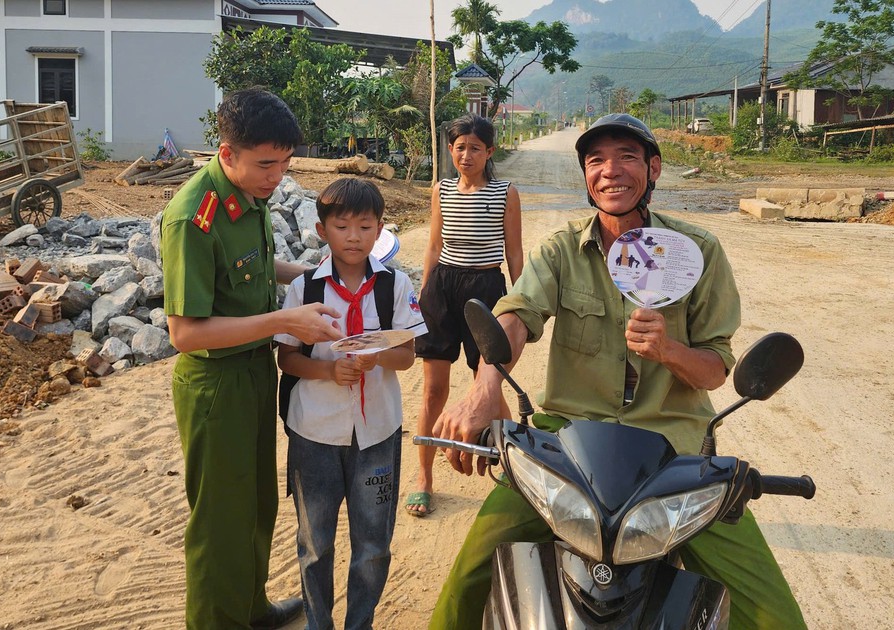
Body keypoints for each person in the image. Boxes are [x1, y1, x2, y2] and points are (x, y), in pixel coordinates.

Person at [428, 113, 808, 629]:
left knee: (773, 615)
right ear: (586, 176)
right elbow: (517, 316)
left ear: (653, 169)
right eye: (596, 160)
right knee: (469, 578)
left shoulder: (698, 252)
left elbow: (717, 369)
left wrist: (670, 350)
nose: (611, 171)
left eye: (627, 157)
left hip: (673, 455)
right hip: (569, 447)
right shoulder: (563, 248)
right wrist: (483, 386)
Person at [160, 87, 343, 630]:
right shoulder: (194, 217)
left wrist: (325, 274)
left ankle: (250, 608)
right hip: (215, 385)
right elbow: (184, 333)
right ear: (226, 154)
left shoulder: (251, 196)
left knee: (259, 501)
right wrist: (285, 322)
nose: (277, 177)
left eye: (285, 164)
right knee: (220, 518)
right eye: (266, 164)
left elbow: (263, 272)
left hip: (256, 373)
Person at [275, 177, 427, 630]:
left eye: (366, 226)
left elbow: (407, 355)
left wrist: (372, 354)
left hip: (377, 434)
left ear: (381, 228)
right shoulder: (306, 289)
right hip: (315, 433)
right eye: (342, 226)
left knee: (373, 545)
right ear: (322, 230)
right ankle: (319, 624)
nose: (355, 236)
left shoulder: (394, 286)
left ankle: (360, 623)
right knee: (315, 544)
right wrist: (328, 369)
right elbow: (287, 358)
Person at [408, 113, 523, 518]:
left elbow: (513, 252)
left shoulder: (506, 193)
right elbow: (434, 244)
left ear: (489, 151)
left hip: (486, 290)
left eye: (475, 148)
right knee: (433, 390)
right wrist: (423, 294)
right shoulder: (440, 189)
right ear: (450, 150)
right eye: (460, 147)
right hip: (442, 288)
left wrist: (523, 304)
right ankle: (423, 476)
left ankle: (515, 466)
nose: (466, 155)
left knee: (487, 386)